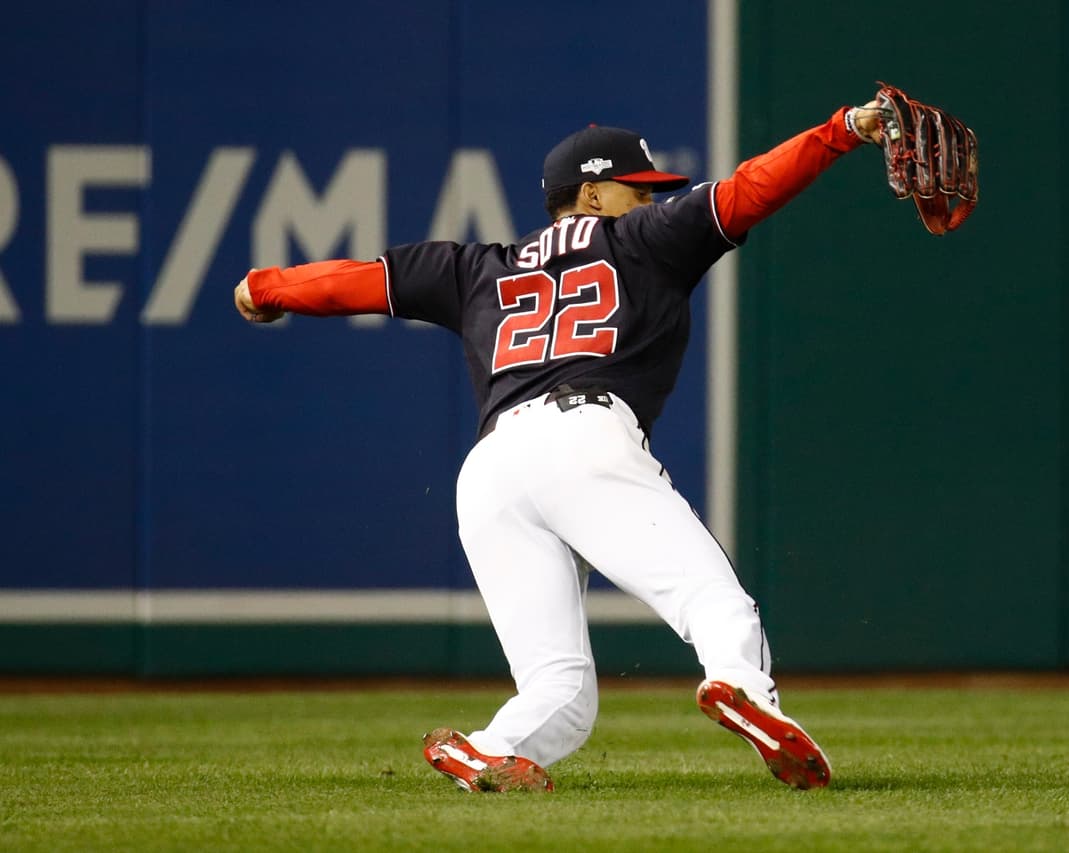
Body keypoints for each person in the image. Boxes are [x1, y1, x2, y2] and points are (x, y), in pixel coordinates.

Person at [234, 99, 884, 792]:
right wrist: (842, 129)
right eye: (637, 189)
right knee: (717, 605)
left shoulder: (478, 267)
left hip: (489, 473)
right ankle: (741, 686)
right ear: (592, 192)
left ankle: (488, 747)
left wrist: (266, 287)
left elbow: (356, 282)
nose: (650, 200)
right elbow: (754, 186)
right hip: (584, 437)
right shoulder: (645, 239)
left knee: (560, 686)